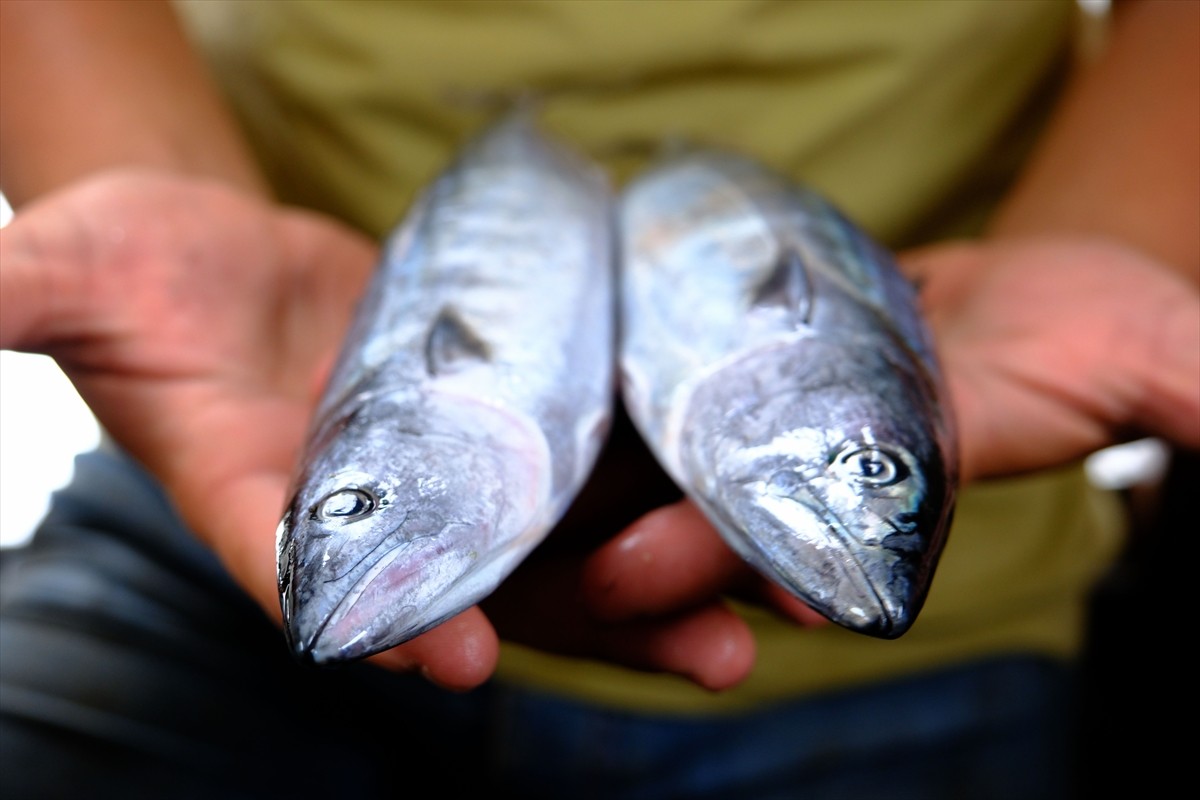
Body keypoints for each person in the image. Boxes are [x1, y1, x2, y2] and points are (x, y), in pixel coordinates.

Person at [0, 0, 1195, 797]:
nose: (856, 487)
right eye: (871, 466)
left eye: (873, 464)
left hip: (951, 636)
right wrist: (135, 169)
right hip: (213, 518)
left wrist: (1110, 235)